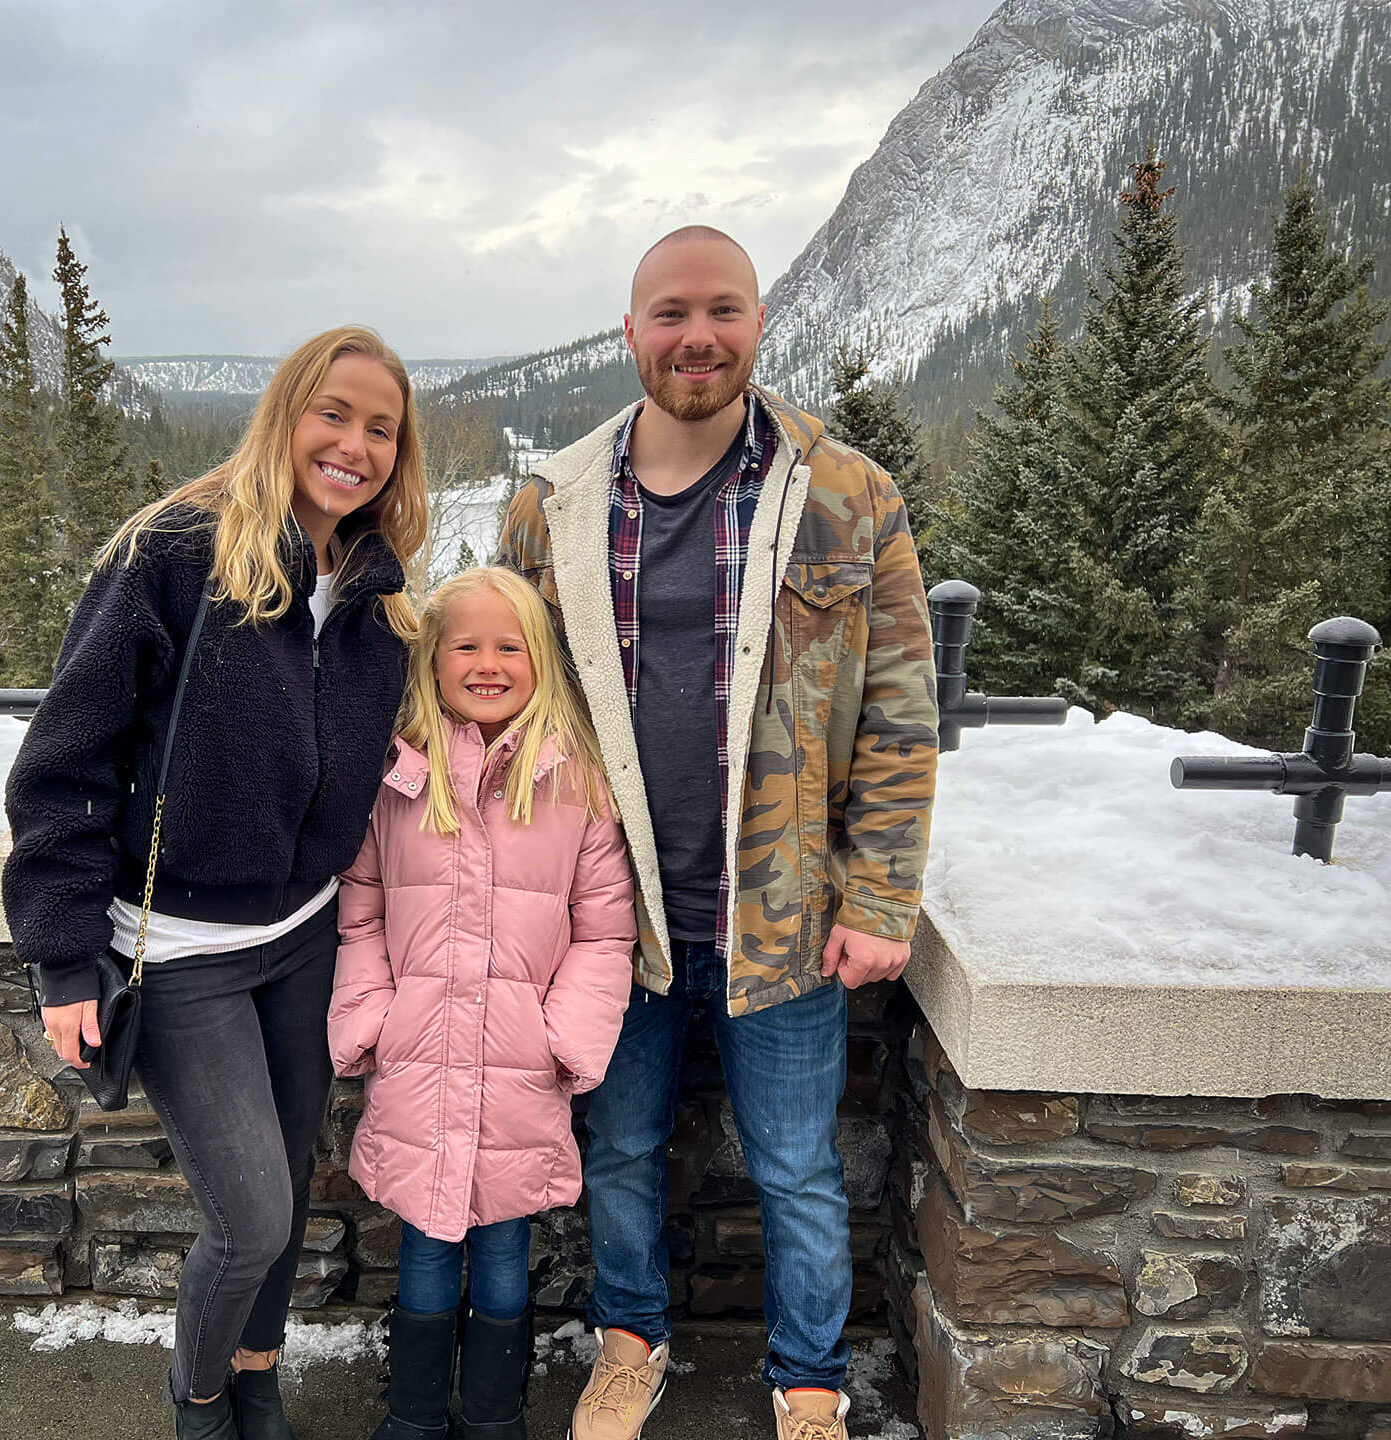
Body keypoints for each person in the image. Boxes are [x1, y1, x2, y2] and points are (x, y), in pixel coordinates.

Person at [497, 227, 940, 1440]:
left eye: (725, 310)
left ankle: (808, 1384)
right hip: (611, 912)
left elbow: (902, 709)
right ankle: (630, 1344)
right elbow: (505, 707)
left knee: (797, 1168)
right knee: (623, 1146)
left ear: (756, 323)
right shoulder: (553, 504)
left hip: (785, 912)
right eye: (673, 312)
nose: (700, 335)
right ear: (631, 330)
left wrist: (882, 897)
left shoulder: (850, 495)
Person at [2, 326, 428, 1440]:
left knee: (284, 1205)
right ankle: (199, 1407)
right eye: (332, 414)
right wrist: (59, 955)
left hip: (305, 935)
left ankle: (256, 1376)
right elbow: (64, 761)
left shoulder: (376, 591)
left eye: (382, 428)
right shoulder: (175, 554)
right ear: (285, 414)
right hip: (177, 949)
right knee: (248, 1215)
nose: (355, 444)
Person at [329, 566, 636, 1440]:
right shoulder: (398, 779)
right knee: (425, 1245)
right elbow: (362, 911)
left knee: (505, 1249)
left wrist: (560, 1037)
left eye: (510, 645)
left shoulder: (574, 784)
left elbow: (603, 933)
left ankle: (496, 1419)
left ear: (539, 657)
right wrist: (371, 1018)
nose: (488, 662)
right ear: (433, 659)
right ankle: (416, 1418)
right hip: (419, 1059)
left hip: (519, 1070)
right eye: (466, 644)